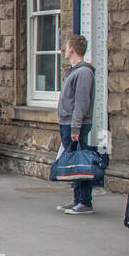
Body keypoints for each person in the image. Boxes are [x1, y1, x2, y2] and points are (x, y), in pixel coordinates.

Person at [57, 34, 95, 215]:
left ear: (72, 49)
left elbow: (81, 103)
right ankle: (77, 198)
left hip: (75, 124)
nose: (64, 50)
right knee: (74, 163)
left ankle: (85, 201)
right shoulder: (74, 71)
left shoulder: (83, 72)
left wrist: (75, 127)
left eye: (66, 46)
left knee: (81, 163)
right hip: (68, 122)